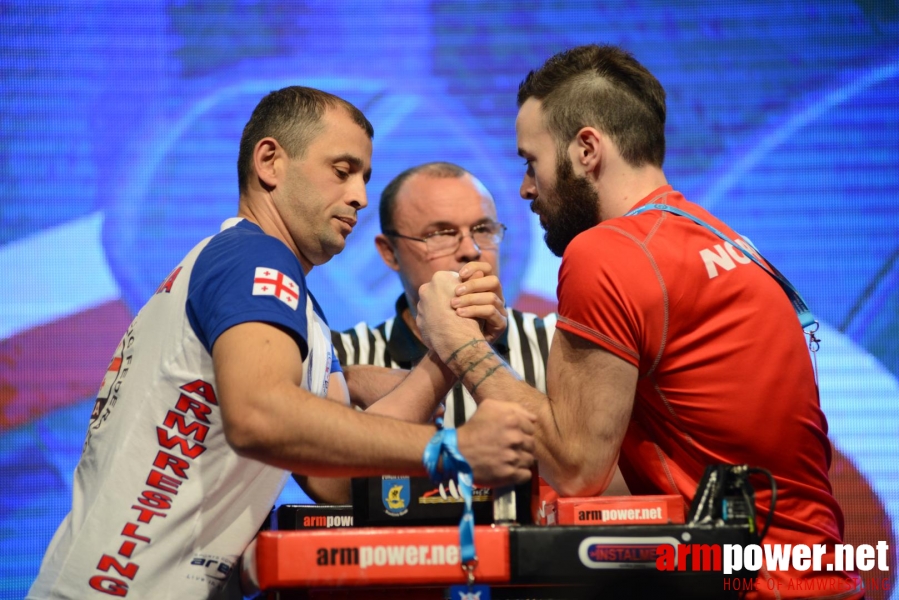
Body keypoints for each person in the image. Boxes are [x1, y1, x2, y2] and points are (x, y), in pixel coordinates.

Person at [28, 87, 536, 600]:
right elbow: (261, 416)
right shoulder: (254, 260)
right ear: (270, 162)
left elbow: (336, 480)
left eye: (364, 177)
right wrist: (452, 448)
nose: (360, 195)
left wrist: (444, 355)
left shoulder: (299, 306)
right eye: (343, 171)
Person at [416, 45, 861, 598]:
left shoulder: (608, 252)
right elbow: (670, 454)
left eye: (531, 162)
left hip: (751, 586)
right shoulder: (724, 240)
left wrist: (457, 343)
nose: (526, 188)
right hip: (822, 576)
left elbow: (577, 470)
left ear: (586, 150)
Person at [332, 162, 557, 427]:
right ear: (389, 252)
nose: (471, 249)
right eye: (441, 234)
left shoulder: (555, 345)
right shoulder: (343, 359)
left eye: (483, 230)